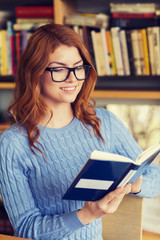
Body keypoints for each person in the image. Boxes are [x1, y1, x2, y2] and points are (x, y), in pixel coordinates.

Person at [0, 23, 160, 240]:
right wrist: (86, 215)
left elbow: (155, 178)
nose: (72, 78)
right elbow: (27, 228)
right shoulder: (12, 144)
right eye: (59, 69)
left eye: (78, 67)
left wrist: (131, 184)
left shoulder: (103, 122)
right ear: (35, 72)